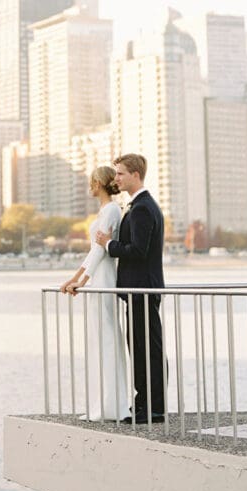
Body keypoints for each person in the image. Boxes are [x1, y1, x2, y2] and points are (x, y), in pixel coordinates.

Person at [95, 153, 166, 424]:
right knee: (144, 348)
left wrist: (108, 244)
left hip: (142, 290)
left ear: (136, 175)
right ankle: (146, 406)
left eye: (121, 173)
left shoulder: (143, 209)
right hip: (140, 290)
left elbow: (138, 251)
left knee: (146, 350)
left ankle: (151, 409)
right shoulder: (139, 206)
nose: (116, 179)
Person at [60, 166, 130, 421]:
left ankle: (113, 406)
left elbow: (101, 251)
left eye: (91, 181)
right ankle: (103, 403)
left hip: (105, 277)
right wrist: (76, 278)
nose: (89, 186)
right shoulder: (105, 210)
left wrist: (81, 280)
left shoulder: (112, 209)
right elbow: (94, 249)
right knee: (100, 339)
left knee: (108, 338)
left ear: (99, 182)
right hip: (97, 276)